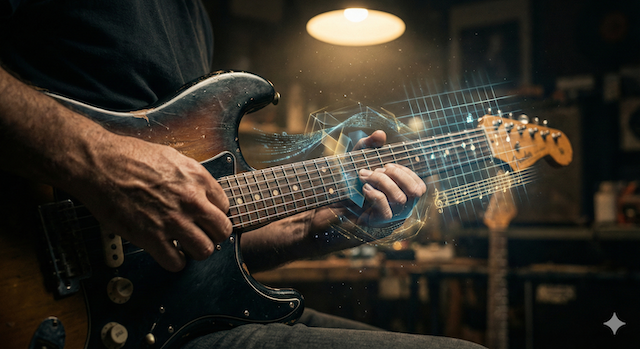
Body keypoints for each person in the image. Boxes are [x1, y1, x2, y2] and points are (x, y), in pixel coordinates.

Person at [0, 1, 486, 348]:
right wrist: (100, 162)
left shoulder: (192, 15)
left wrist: (309, 229)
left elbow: (192, 234)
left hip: (163, 315)